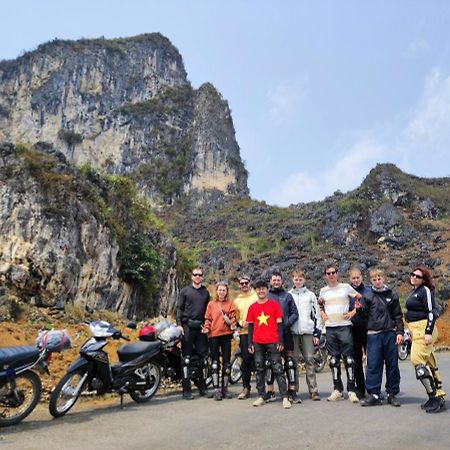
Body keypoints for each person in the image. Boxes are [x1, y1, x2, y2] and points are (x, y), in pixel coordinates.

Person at [355, 269, 404, 407]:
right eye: (374, 279)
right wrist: (359, 309)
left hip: (390, 333)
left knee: (392, 364)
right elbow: (363, 318)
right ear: (371, 281)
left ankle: (392, 394)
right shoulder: (367, 295)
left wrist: (400, 332)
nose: (377, 281)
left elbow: (398, 315)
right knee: (373, 365)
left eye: (379, 278)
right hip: (373, 334)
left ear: (384, 278)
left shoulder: (392, 294)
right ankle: (374, 394)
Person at [405, 265, 446, 413]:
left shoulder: (425, 291)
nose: (414, 277)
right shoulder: (415, 291)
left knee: (417, 361)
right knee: (429, 362)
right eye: (412, 274)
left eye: (418, 276)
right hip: (416, 330)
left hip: (424, 329)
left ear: (424, 279)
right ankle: (438, 396)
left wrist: (428, 331)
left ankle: (433, 396)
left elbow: (431, 312)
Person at [318, 264, 360, 403]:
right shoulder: (323, 290)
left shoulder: (345, 287)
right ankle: (338, 389)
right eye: (328, 273)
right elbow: (320, 304)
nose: (331, 275)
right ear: (325, 276)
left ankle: (351, 390)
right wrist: (323, 313)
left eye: (333, 272)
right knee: (334, 360)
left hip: (344, 326)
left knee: (348, 359)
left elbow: (360, 297)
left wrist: (353, 312)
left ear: (337, 273)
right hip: (330, 327)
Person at [247, 279, 291, 409]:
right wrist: (250, 343)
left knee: (278, 368)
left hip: (273, 341)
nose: (261, 291)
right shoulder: (252, 307)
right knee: (260, 369)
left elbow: (279, 325)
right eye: (258, 289)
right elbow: (250, 327)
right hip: (258, 341)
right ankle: (261, 395)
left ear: (267, 290)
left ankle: (285, 396)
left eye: (263, 289)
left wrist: (280, 341)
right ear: (256, 291)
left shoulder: (274, 305)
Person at [176, 267, 210, 400]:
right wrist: (179, 325)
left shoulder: (205, 292)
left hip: (201, 328)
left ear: (202, 277)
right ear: (191, 276)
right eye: (195, 274)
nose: (197, 277)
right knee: (186, 359)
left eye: (199, 275)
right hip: (187, 327)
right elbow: (179, 308)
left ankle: (203, 388)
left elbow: (208, 311)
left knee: (203, 359)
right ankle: (186, 390)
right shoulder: (185, 291)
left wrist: (207, 325)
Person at [265, 270, 299, 403]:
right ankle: (270, 391)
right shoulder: (266, 296)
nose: (276, 282)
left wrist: (286, 324)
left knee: (290, 362)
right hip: (271, 334)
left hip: (286, 333)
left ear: (282, 281)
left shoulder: (288, 296)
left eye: (278, 280)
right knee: (270, 363)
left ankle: (292, 391)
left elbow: (295, 313)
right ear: (270, 281)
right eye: (274, 280)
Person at [289, 270, 323, 401]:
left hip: (308, 332)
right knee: (294, 362)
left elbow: (317, 315)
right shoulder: (289, 295)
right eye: (296, 279)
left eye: (300, 279)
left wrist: (317, 333)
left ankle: (313, 390)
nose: (298, 281)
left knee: (310, 360)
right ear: (293, 280)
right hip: (293, 333)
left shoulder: (310, 295)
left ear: (304, 280)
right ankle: (294, 390)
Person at [203, 281, 237, 401]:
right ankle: (216, 389)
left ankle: (225, 388)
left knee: (227, 363)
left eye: (224, 290)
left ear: (227, 291)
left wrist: (233, 325)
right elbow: (208, 319)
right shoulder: (211, 304)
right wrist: (206, 328)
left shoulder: (230, 304)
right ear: (216, 291)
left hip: (226, 335)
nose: (221, 292)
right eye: (220, 290)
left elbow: (233, 318)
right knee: (215, 363)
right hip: (214, 335)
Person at [233, 274, 258, 400]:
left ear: (250, 283)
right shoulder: (236, 301)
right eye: (241, 283)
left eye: (246, 283)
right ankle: (246, 387)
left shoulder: (257, 296)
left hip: (259, 332)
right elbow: (234, 318)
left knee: (260, 360)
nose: (244, 285)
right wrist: (239, 322)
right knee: (246, 361)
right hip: (244, 333)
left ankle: (263, 388)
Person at [349, 267, 370, 399]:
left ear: (362, 277)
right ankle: (360, 389)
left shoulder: (368, 291)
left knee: (372, 360)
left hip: (368, 329)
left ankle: (373, 387)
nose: (356, 280)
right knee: (356, 360)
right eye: (353, 278)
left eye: (358, 277)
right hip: (353, 330)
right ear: (350, 279)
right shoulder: (348, 293)